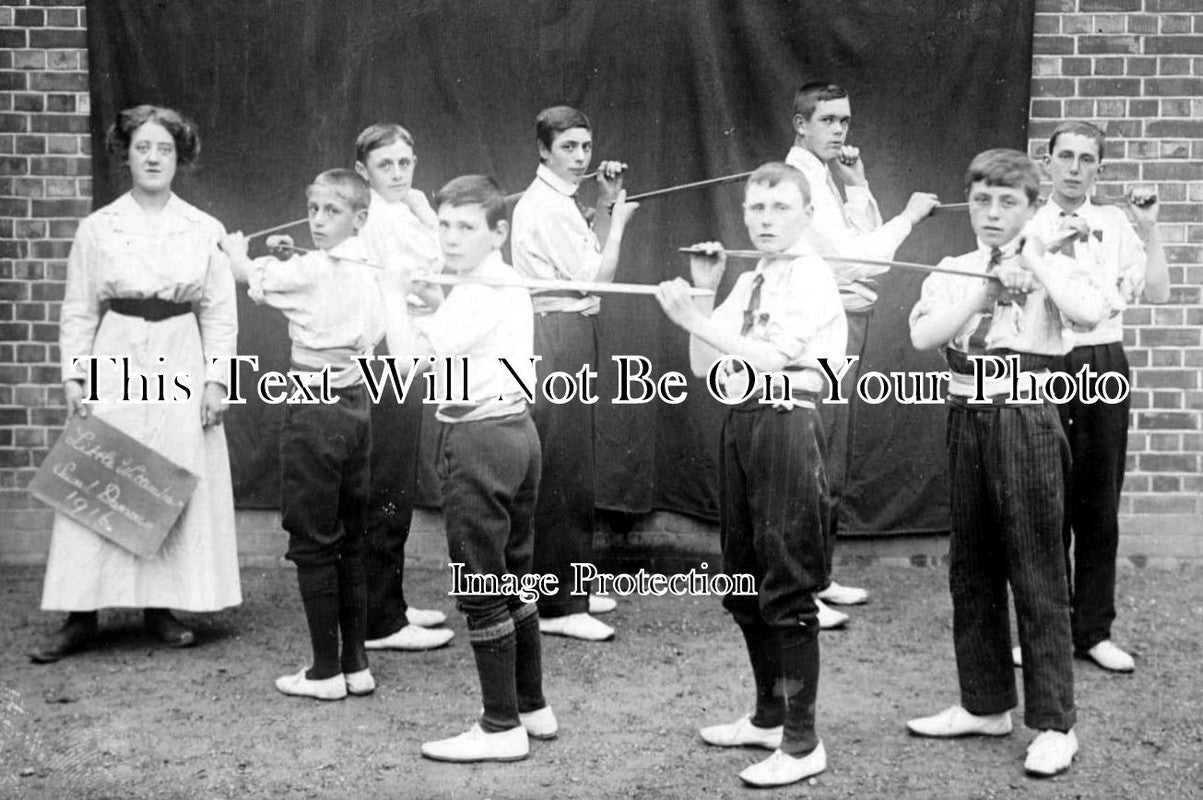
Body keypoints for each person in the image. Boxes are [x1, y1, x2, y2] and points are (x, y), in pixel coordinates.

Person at [905, 149, 1110, 777]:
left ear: (1029, 206)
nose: (992, 213)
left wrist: (1037, 269)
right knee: (971, 566)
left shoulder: (1053, 259)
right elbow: (923, 336)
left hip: (1026, 420)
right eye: (982, 200)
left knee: (1037, 569)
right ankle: (986, 702)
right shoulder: (953, 266)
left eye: (1008, 202)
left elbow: (1089, 313)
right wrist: (983, 290)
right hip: (966, 419)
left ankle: (1054, 724)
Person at [654, 162, 846, 787]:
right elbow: (707, 365)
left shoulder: (813, 276)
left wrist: (693, 318)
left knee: (787, 581)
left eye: (780, 209)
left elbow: (772, 356)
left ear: (807, 216)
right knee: (741, 574)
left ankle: (802, 741)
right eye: (756, 210)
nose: (766, 221)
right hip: (744, 421)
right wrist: (706, 294)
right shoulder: (756, 276)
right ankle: (769, 714)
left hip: (789, 422)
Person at [33, 104, 241, 663]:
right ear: (126, 155)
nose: (153, 158)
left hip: (179, 350)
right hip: (117, 348)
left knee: (169, 470)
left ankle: (162, 608)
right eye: (143, 147)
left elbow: (220, 315)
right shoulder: (99, 228)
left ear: (180, 159)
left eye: (164, 150)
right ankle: (81, 613)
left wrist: (216, 381)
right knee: (104, 469)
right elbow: (78, 309)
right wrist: (75, 372)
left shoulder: (203, 229)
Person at [385, 175, 555, 762]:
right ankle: (531, 706)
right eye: (445, 225)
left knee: (483, 584)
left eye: (466, 227)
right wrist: (428, 300)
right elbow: (455, 328)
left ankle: (500, 725)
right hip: (513, 432)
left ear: (498, 232)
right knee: (513, 577)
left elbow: (411, 362)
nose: (451, 238)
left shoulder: (484, 286)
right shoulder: (487, 281)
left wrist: (390, 294)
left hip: (481, 439)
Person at [1014, 121, 1169, 674]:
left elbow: (1157, 291)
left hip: (1103, 361)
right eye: (1066, 157)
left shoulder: (1116, 223)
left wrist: (1149, 230)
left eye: (1087, 159)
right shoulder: (1028, 224)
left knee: (1098, 500)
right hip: (1044, 362)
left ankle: (1093, 630)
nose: (1075, 168)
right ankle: (1044, 629)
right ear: (1047, 161)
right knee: (1044, 499)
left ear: (1099, 168)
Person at [221, 169, 383, 700]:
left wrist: (236, 250)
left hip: (313, 400)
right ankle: (356, 666)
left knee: (313, 539)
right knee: (350, 534)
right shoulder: (368, 260)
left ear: (358, 217)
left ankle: (324, 672)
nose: (317, 220)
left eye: (330, 212)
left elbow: (253, 278)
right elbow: (318, 277)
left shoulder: (313, 270)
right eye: (313, 209)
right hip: (355, 398)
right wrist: (293, 255)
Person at [785, 81, 940, 628]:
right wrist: (911, 218)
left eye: (845, 121)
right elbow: (863, 261)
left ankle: (818, 577)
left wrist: (859, 186)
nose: (839, 131)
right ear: (800, 124)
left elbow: (863, 237)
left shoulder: (826, 177)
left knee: (833, 453)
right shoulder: (799, 180)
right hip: (824, 326)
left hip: (849, 322)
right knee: (815, 455)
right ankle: (801, 591)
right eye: (827, 121)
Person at [510, 105, 638, 641]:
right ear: (543, 150)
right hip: (557, 334)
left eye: (585, 147)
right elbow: (593, 282)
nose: (581, 157)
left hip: (570, 332)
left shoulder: (563, 201)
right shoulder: (547, 206)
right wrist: (621, 225)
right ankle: (560, 606)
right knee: (563, 464)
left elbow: (584, 265)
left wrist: (606, 206)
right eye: (568, 148)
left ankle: (565, 585)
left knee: (571, 460)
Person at [353, 122, 454, 652]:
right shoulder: (374, 219)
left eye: (405, 163)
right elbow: (435, 276)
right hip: (384, 358)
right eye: (385, 165)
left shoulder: (405, 213)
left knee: (396, 483)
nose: (396, 173)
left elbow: (444, 265)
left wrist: (423, 210)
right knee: (386, 485)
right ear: (362, 172)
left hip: (408, 356)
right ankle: (380, 620)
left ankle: (387, 600)